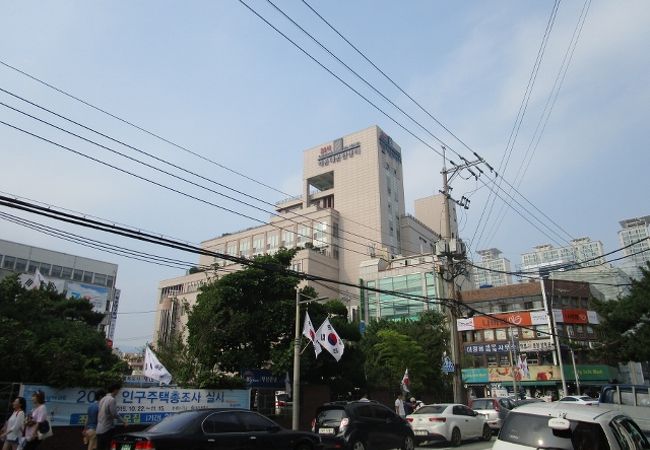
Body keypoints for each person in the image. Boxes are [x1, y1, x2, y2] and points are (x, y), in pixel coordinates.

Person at [96, 384, 127, 450]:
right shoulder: (111, 400)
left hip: (99, 429)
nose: (118, 392)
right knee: (107, 447)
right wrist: (124, 421)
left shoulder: (103, 399)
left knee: (100, 447)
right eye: (118, 390)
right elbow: (114, 414)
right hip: (107, 428)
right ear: (115, 390)